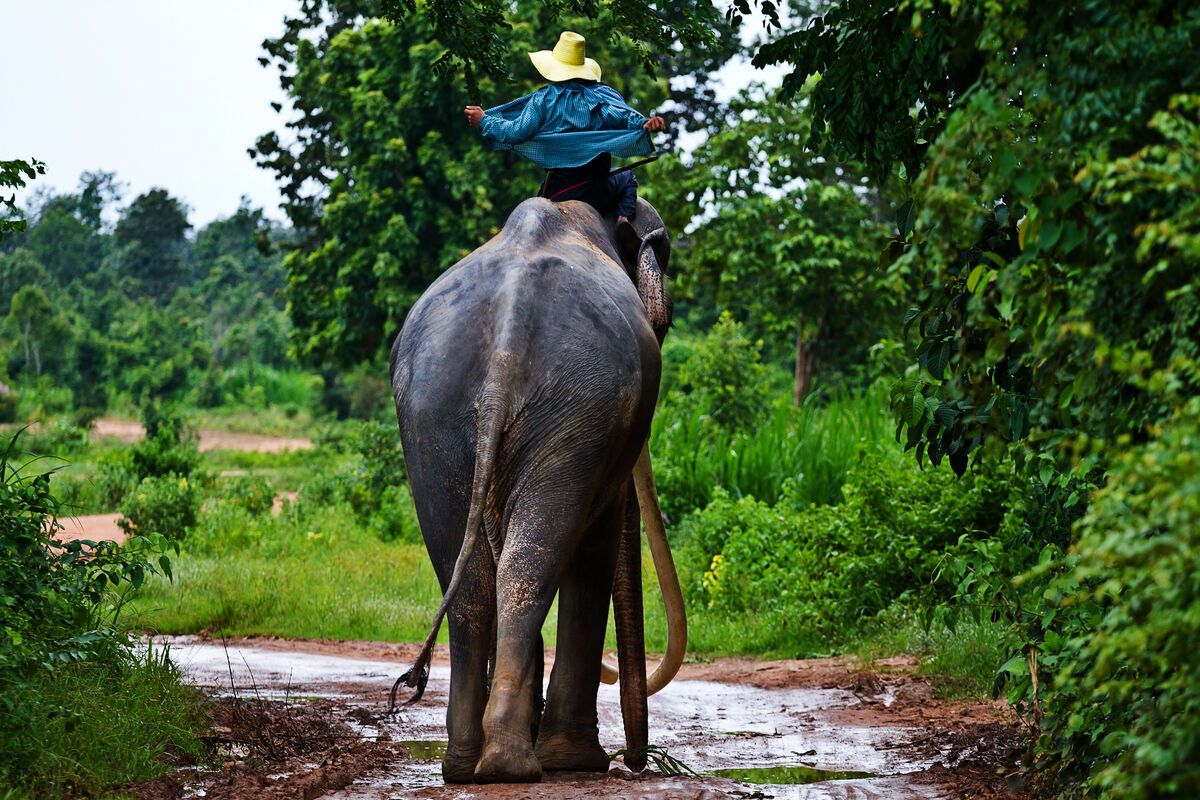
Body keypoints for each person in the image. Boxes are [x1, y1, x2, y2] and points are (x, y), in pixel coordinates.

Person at [464, 31, 666, 236]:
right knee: (628, 178)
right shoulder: (602, 97)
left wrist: (485, 121)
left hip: (557, 191)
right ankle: (623, 219)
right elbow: (624, 116)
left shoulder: (543, 99)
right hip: (595, 189)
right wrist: (644, 123)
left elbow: (515, 133)